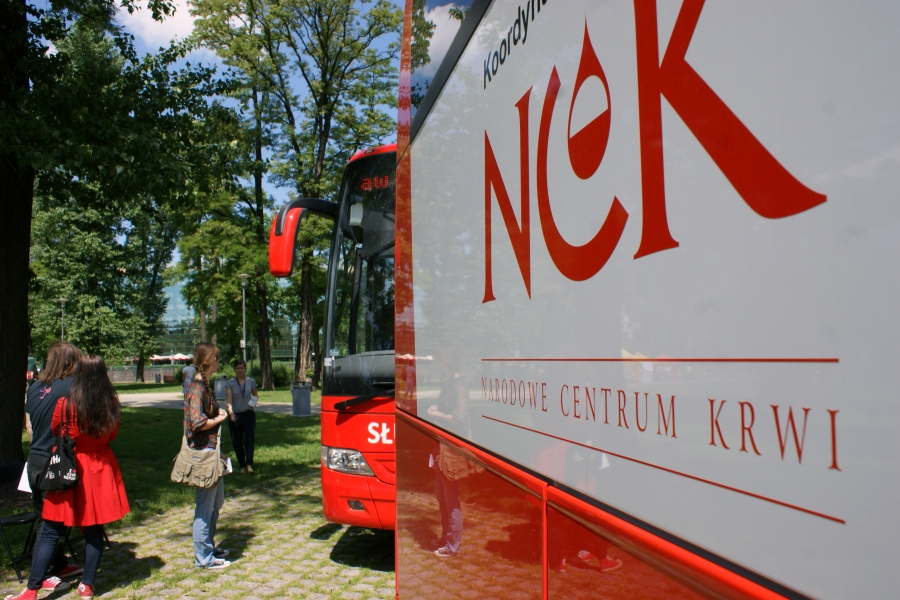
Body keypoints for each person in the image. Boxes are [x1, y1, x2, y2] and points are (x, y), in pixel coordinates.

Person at [7, 355, 130, 600]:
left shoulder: (66, 404)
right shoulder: (111, 405)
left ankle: (32, 590)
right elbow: (111, 435)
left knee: (51, 529)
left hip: (69, 466)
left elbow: (57, 430)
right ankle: (87, 585)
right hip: (99, 468)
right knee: (93, 528)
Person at [22, 341, 84, 591]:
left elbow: (28, 428)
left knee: (42, 516)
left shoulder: (35, 387)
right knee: (50, 523)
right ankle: (44, 573)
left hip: (35, 458)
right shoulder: (73, 386)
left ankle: (58, 563)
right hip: (57, 459)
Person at [184, 342, 231, 569]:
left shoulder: (205, 385)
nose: (219, 362)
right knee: (205, 508)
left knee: (216, 503)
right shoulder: (196, 388)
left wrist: (219, 452)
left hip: (212, 452)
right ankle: (204, 558)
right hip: (203, 456)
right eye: (217, 358)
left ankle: (209, 546)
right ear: (210, 361)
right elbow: (196, 422)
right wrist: (220, 418)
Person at [225, 359, 259, 474]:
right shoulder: (230, 383)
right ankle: (242, 465)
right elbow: (229, 401)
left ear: (245, 369)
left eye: (242, 368)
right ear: (235, 369)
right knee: (237, 441)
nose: (240, 370)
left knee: (249, 438)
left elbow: (255, 395)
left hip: (248, 414)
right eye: (238, 368)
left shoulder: (251, 381)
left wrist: (253, 404)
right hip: (236, 415)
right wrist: (231, 414)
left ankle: (249, 464)